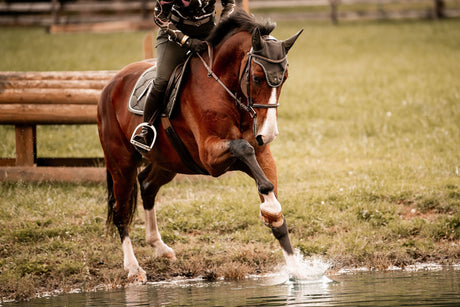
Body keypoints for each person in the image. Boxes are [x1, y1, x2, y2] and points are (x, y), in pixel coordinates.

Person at [132, 0, 236, 151]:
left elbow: (230, 4)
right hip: (174, 34)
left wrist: (221, 28)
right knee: (162, 80)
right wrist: (185, 40)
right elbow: (160, 16)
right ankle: (146, 129)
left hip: (208, 30)